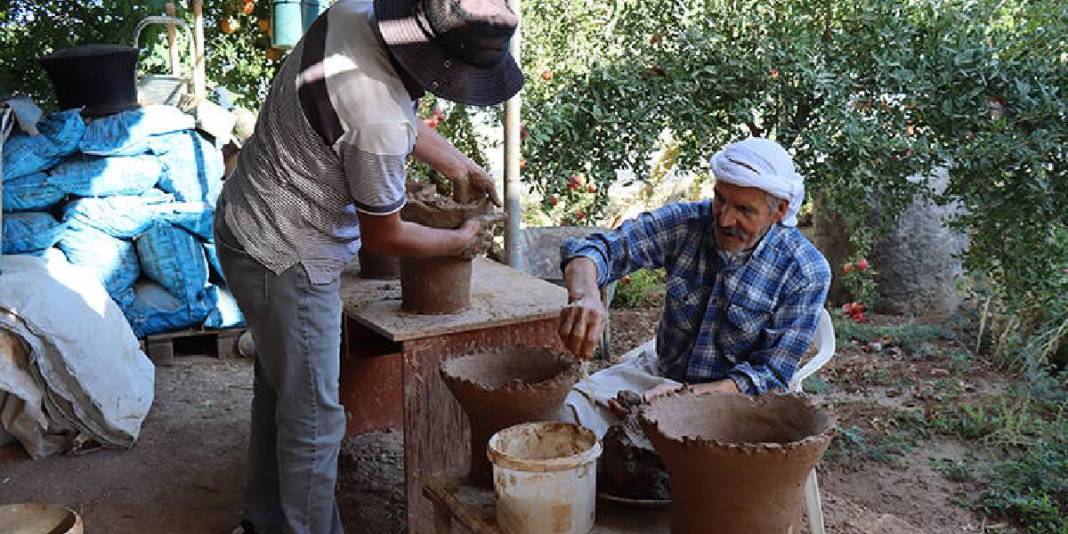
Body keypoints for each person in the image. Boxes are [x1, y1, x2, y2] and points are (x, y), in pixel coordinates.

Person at [213, 0, 523, 532]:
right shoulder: (375, 120)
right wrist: (459, 242)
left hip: (247, 217)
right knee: (314, 421)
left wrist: (457, 163)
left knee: (284, 393)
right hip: (286, 252)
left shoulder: (353, 13)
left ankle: (264, 521)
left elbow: (392, 100)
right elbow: (385, 233)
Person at [556, 138, 832, 438]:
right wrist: (586, 296)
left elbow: (770, 375)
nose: (725, 218)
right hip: (659, 377)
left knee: (712, 470)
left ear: (779, 210)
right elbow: (594, 250)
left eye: (744, 209)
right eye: (720, 199)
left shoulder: (805, 270)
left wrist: (685, 400)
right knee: (567, 414)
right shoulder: (687, 223)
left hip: (735, 402)